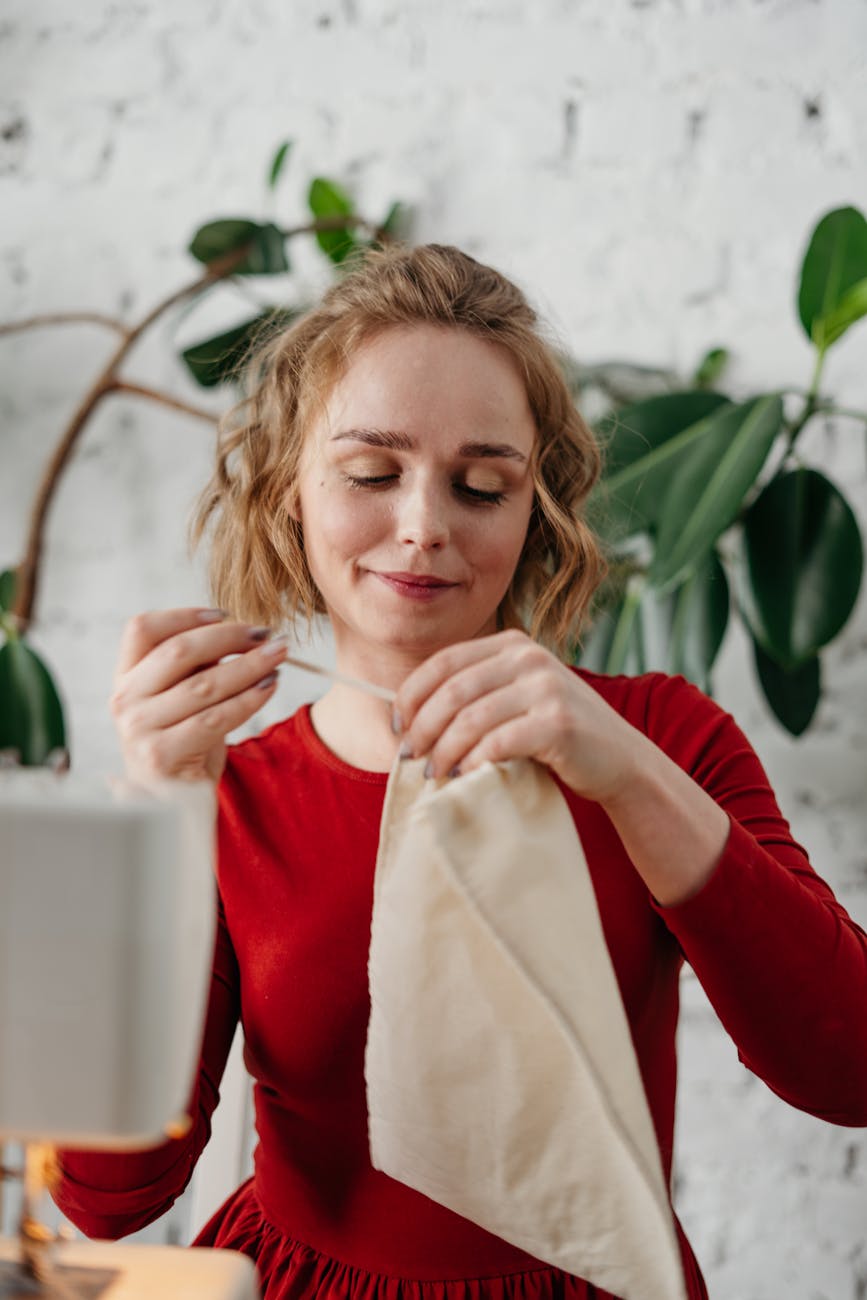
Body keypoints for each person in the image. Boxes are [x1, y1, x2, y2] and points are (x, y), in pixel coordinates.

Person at [54, 243, 867, 1300]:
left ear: (538, 508)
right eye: (370, 473)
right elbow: (104, 1196)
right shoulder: (233, 793)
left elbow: (848, 1070)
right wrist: (158, 821)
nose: (425, 526)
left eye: (483, 484)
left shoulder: (666, 736)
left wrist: (626, 770)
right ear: (289, 488)